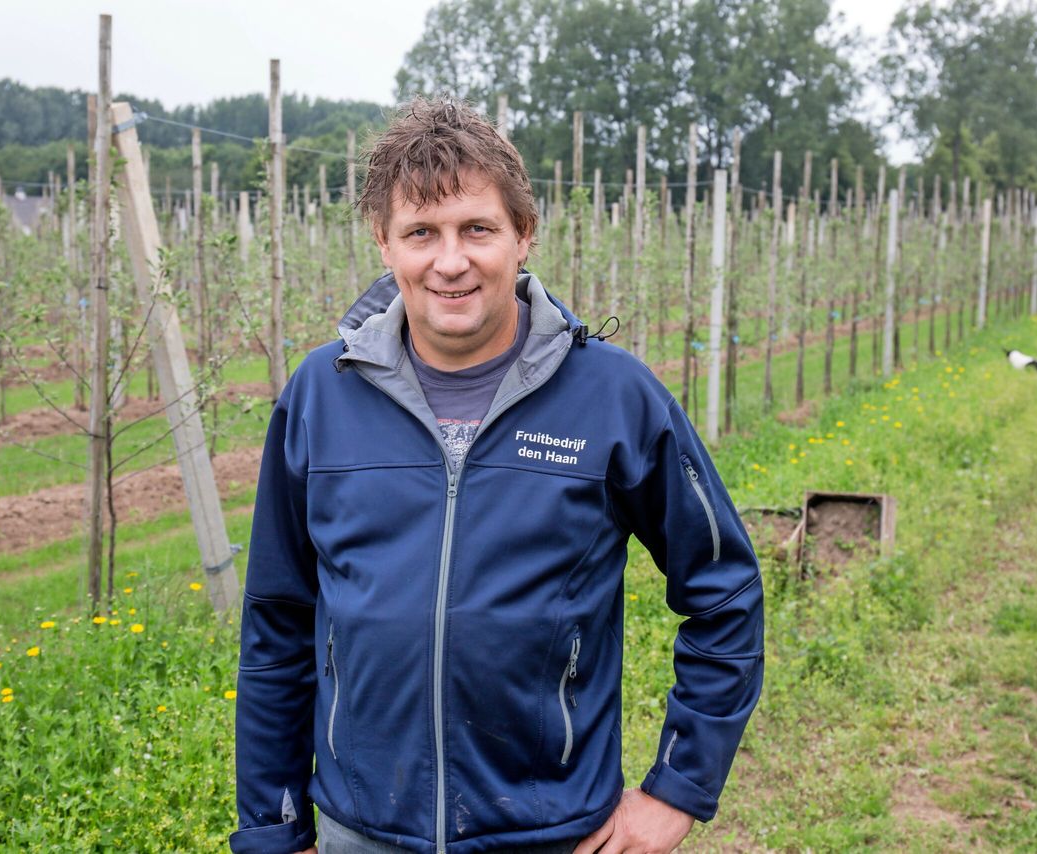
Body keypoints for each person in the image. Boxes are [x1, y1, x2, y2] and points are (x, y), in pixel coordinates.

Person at [230, 98, 764, 854]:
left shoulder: (612, 396)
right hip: (362, 833)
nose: (451, 261)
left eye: (477, 228)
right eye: (422, 233)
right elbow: (277, 624)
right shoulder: (320, 396)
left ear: (523, 235)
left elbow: (726, 591)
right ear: (384, 243)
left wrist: (677, 789)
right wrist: (271, 827)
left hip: (553, 834)